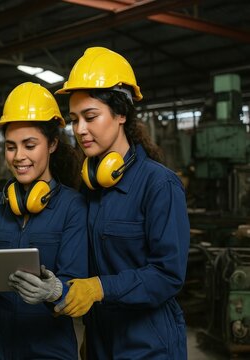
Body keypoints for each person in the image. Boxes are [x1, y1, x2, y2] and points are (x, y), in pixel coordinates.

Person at [54, 47, 190, 359]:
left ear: (121, 114)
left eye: (90, 117)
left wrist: (100, 288)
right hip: (100, 339)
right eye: (74, 120)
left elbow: (168, 275)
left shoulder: (159, 185)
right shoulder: (89, 186)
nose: (80, 130)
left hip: (149, 343)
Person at [0, 82, 88, 359]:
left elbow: (77, 283)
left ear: (53, 144)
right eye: (11, 147)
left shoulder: (73, 207)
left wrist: (54, 292)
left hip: (51, 351)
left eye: (30, 145)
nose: (19, 156)